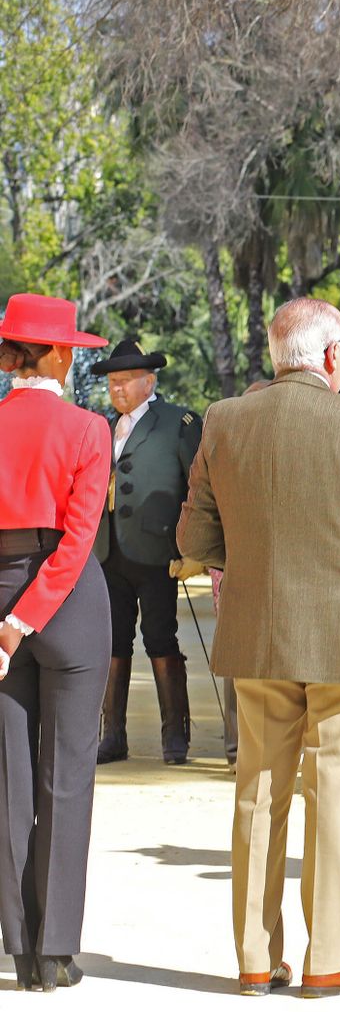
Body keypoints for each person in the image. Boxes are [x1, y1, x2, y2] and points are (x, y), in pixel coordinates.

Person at [178, 297, 340, 997]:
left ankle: (255, 957)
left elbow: (192, 543)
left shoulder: (224, 421)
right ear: (328, 356)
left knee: (258, 795)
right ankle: (331, 958)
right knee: (332, 795)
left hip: (256, 634)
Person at [0, 294, 111, 992]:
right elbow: (77, 540)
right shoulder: (87, 427)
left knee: (7, 781)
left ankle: (15, 943)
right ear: (63, 355)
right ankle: (55, 951)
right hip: (66, 601)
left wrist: (7, 622)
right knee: (66, 776)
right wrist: (29, 617)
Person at [87, 338, 204, 765]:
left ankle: (176, 737)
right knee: (113, 642)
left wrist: (192, 547)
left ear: (149, 380)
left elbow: (199, 488)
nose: (116, 389)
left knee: (160, 638)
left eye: (124, 381)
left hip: (157, 551)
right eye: (112, 382)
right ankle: (112, 735)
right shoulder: (100, 425)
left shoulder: (178, 422)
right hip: (107, 551)